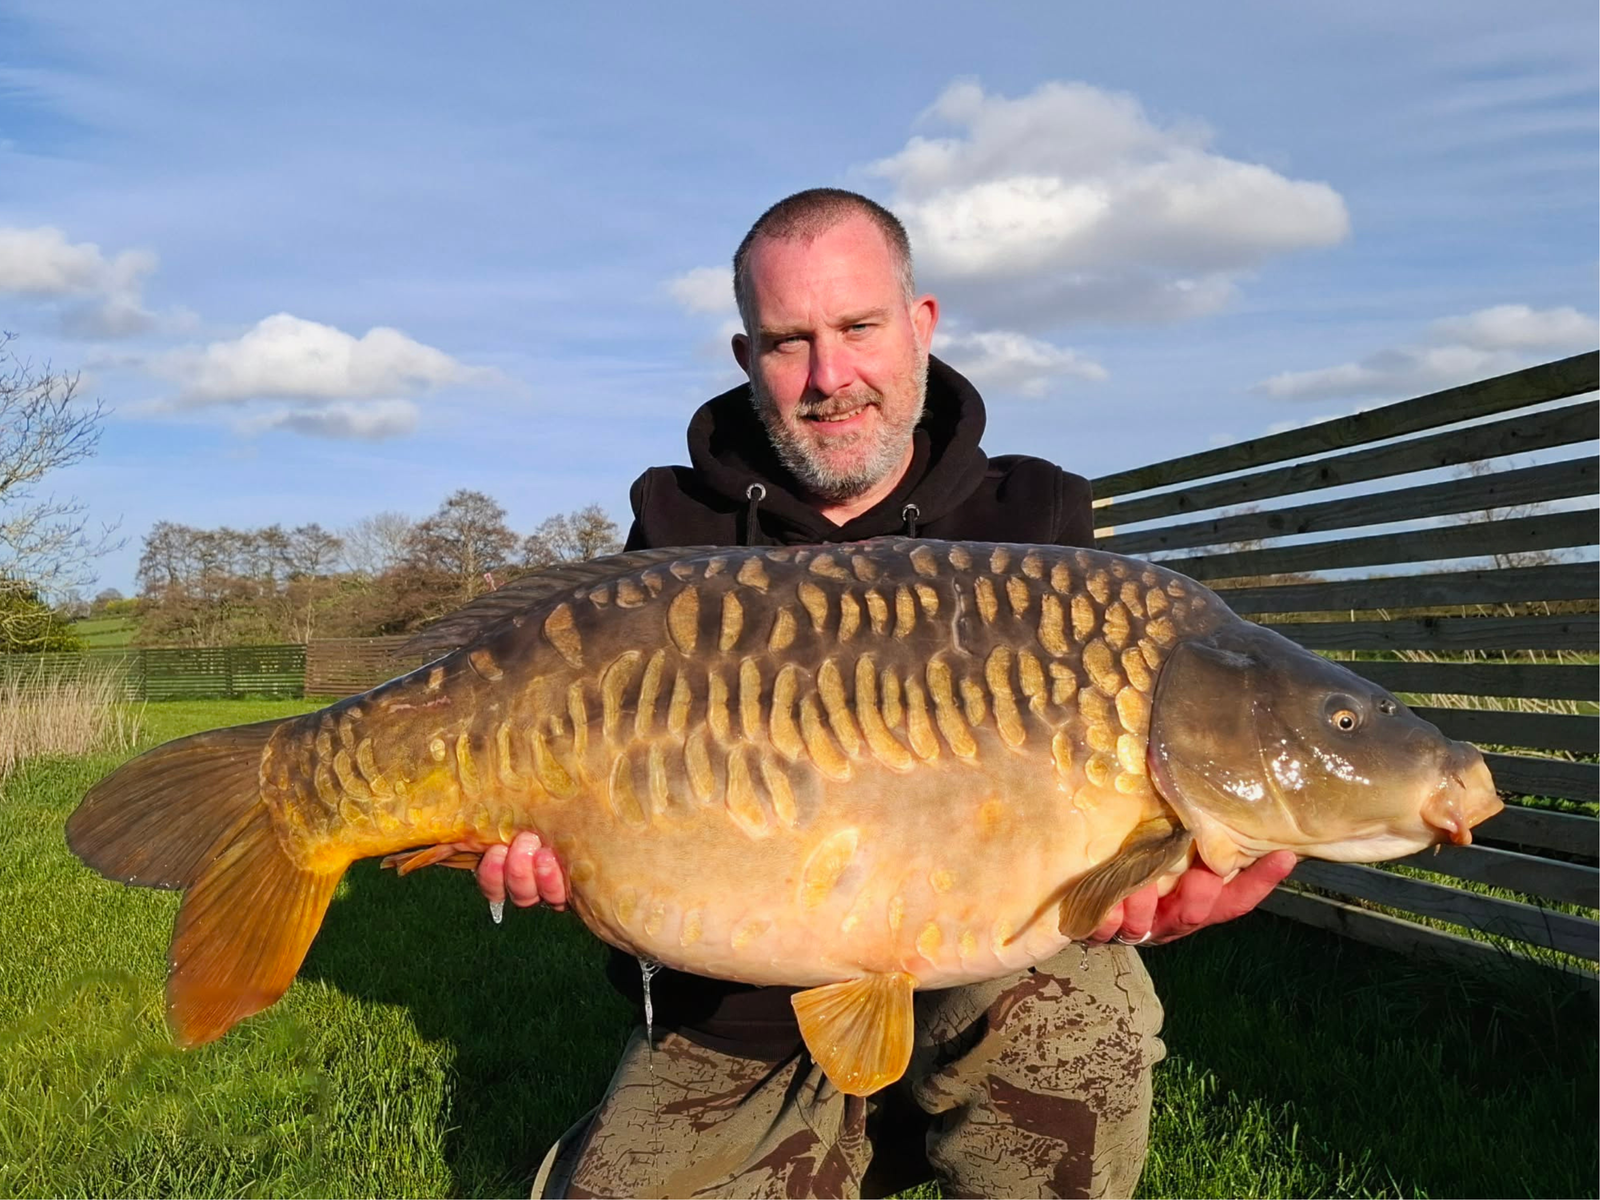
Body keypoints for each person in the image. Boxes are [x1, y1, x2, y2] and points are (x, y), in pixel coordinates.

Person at [476, 189, 1295, 1198]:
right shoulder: (676, 535)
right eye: (788, 342)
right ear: (746, 359)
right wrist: (551, 844)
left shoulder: (1034, 520)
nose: (830, 377)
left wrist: (1148, 881)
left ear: (920, 324)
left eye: (859, 327)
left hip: (987, 972)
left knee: (1078, 1015)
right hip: (732, 1004)